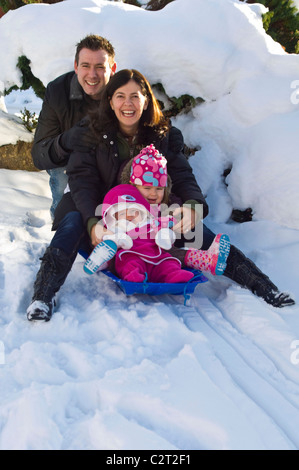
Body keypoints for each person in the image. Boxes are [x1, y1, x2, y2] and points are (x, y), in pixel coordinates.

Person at [27, 68, 295, 322]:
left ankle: (264, 286)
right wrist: (93, 225)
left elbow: (182, 176)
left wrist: (192, 207)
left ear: (146, 101)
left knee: (202, 235)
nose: (127, 103)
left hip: (153, 219)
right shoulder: (90, 133)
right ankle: (42, 296)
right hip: (101, 214)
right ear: (110, 101)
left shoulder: (163, 135)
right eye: (120, 96)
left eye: (135, 96)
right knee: (71, 222)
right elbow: (82, 183)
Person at [84, 145, 231, 279]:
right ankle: (116, 268)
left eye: (159, 189)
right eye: (147, 188)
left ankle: (205, 262)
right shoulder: (121, 203)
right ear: (133, 186)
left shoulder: (163, 206)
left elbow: (170, 219)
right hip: (128, 252)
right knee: (126, 259)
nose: (153, 194)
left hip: (158, 252)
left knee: (172, 257)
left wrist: (176, 221)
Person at [31, 34, 117, 219]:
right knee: (64, 183)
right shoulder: (58, 91)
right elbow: (39, 154)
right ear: (76, 66)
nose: (92, 75)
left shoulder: (123, 90)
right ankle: (61, 225)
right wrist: (66, 141)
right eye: (85, 66)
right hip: (69, 164)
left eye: (100, 67)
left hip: (112, 160)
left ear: (112, 69)